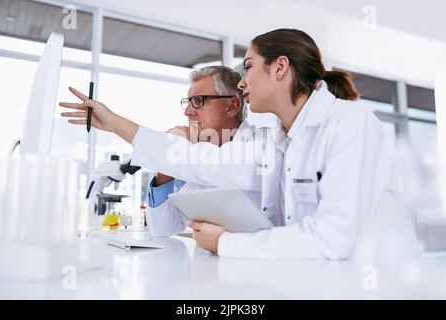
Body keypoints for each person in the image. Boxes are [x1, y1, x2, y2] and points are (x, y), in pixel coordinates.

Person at [60, 28, 413, 260]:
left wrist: (224, 243)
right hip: (314, 277)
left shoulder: (351, 125)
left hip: (379, 281)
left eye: (248, 68)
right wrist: (116, 123)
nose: (243, 84)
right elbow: (201, 162)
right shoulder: (277, 141)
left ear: (280, 68)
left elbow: (332, 239)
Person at [146, 66, 262, 237]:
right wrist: (167, 162)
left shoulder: (259, 146)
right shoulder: (194, 152)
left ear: (231, 106)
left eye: (199, 101)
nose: (187, 111)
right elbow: (163, 230)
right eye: (188, 102)